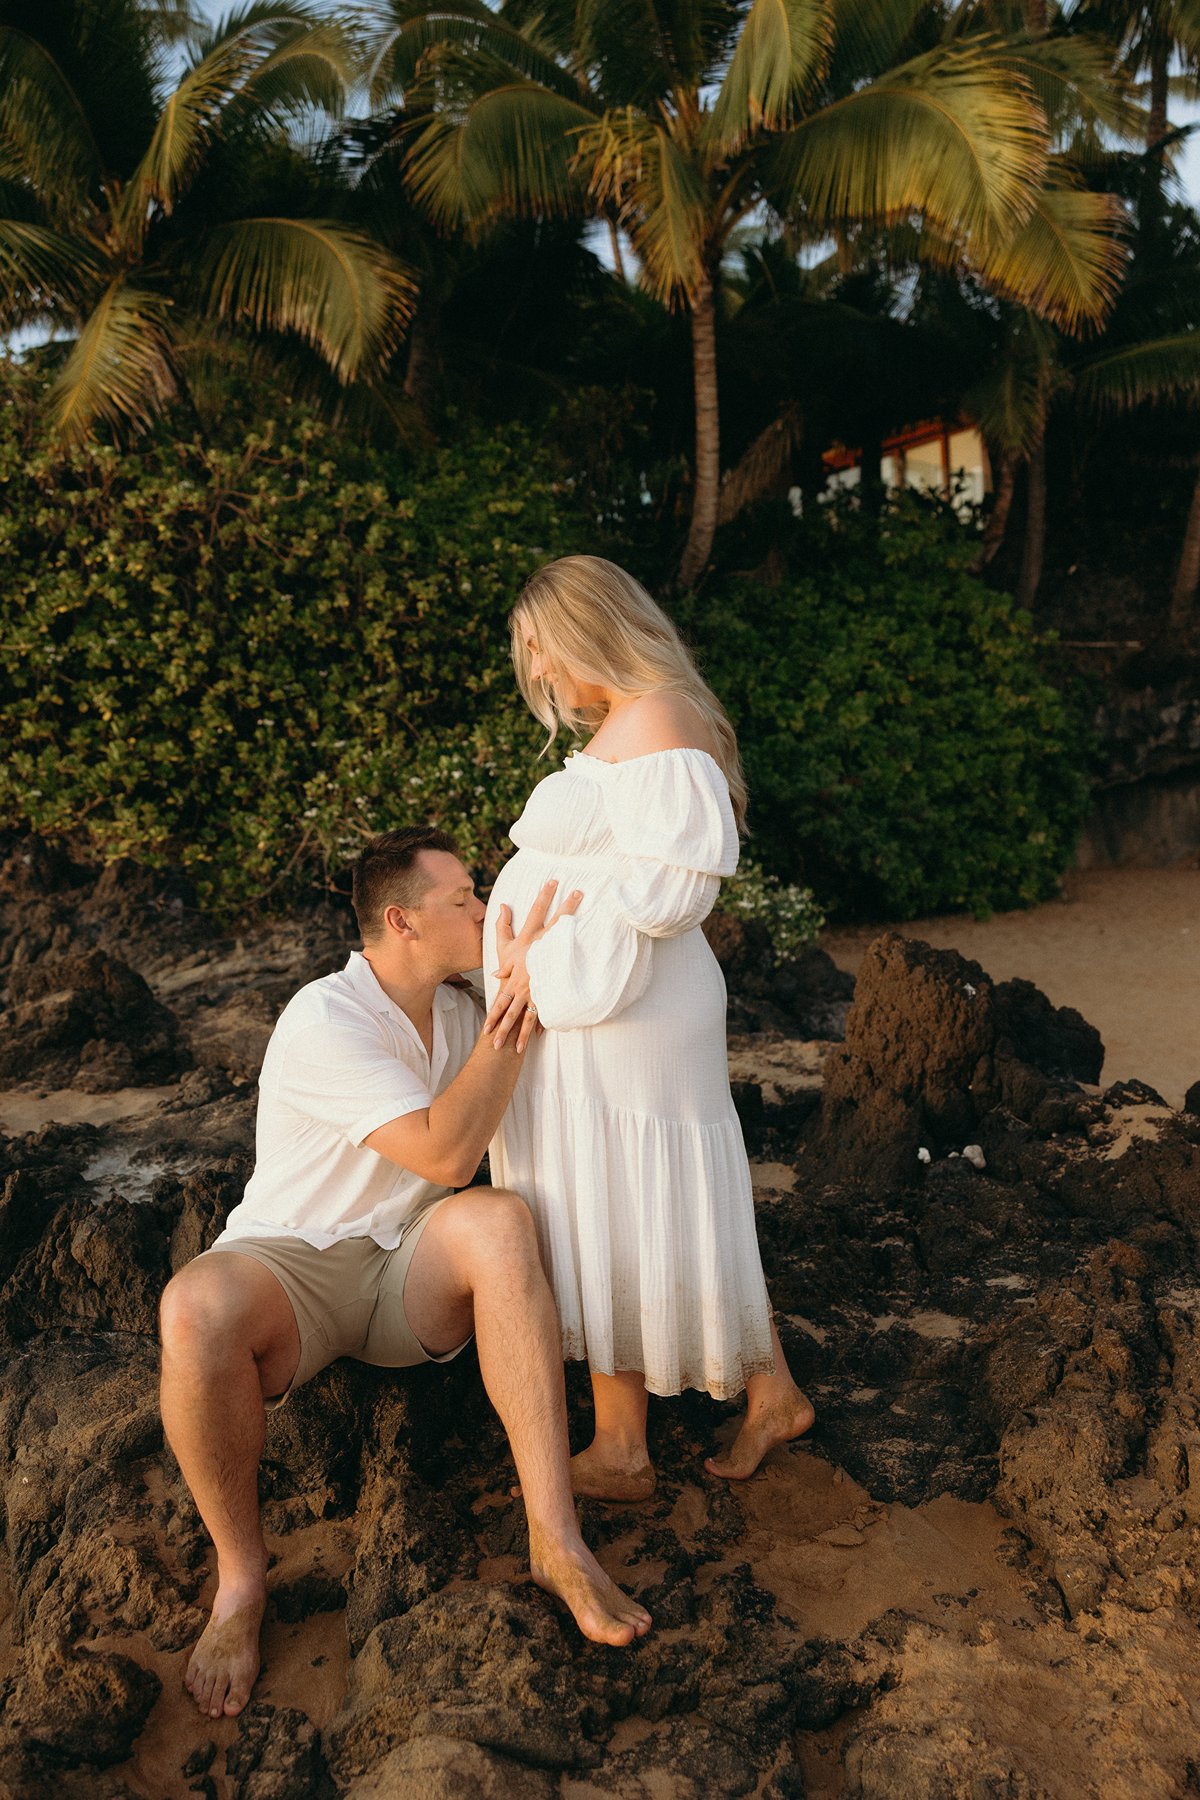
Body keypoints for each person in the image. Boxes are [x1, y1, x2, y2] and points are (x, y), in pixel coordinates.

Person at [159, 826, 651, 1723]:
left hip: (407, 1272)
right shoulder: (326, 1016)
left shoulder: (466, 1005)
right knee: (193, 1306)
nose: (484, 906)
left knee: (503, 1225)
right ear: (402, 921)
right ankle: (240, 1584)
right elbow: (446, 1149)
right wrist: (511, 1020)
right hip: (294, 1264)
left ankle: (556, 1536)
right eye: (464, 897)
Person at [484, 556, 815, 1502]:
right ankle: (624, 1442)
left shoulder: (661, 718)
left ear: (585, 631)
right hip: (593, 1012)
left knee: (635, 1196)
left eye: (540, 654)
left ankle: (760, 1398)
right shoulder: (634, 723)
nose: (540, 677)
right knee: (602, 1204)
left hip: (623, 1010)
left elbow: (666, 893)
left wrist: (543, 968)